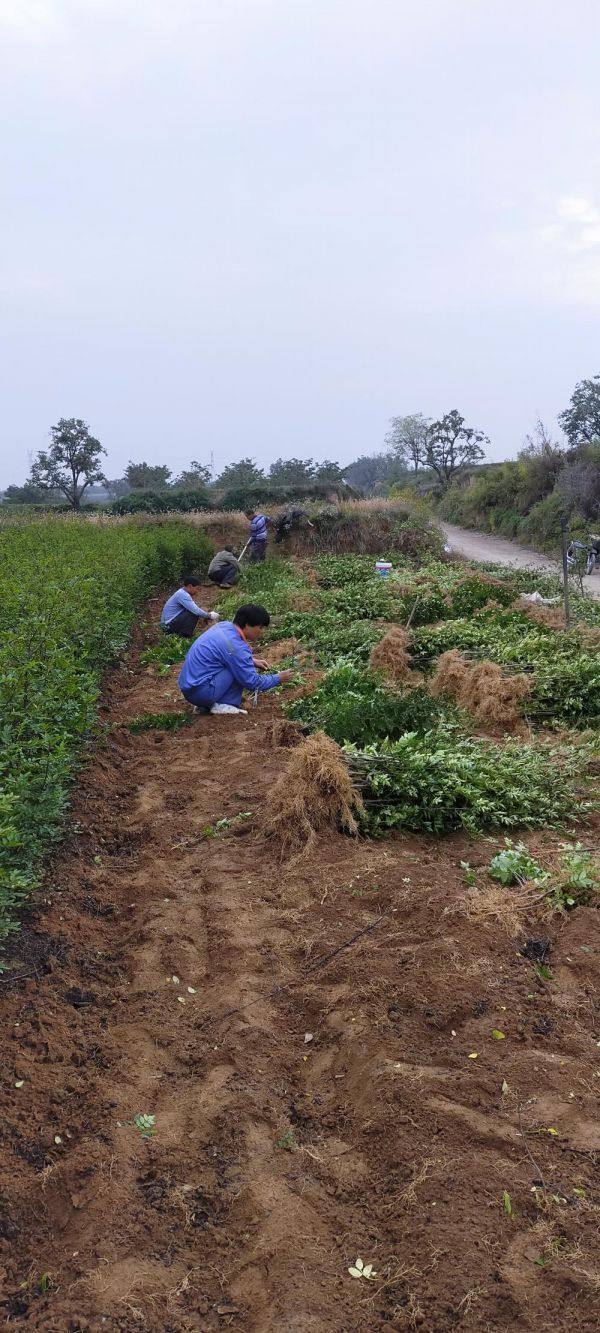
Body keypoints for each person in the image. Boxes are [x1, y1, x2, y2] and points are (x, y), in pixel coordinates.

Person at [178, 604, 294, 715]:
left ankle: (205, 705)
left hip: (190, 688)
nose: (261, 632)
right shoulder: (236, 647)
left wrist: (252, 661)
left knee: (236, 665)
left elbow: (224, 653)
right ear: (248, 625)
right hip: (201, 693)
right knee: (238, 670)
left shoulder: (224, 626)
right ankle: (224, 704)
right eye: (260, 627)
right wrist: (278, 678)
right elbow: (252, 682)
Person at [160, 573, 219, 638]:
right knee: (193, 613)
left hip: (168, 624)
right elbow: (196, 611)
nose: (197, 591)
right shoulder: (183, 595)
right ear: (190, 586)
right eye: (197, 588)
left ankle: (181, 634)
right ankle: (184, 636)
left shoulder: (181, 592)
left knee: (191, 611)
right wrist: (210, 615)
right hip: (167, 626)